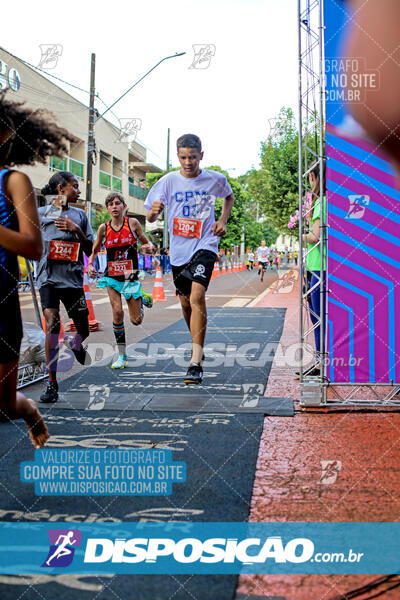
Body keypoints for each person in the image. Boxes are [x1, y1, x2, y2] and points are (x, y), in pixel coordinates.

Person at [0, 91, 76, 447]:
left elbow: (32, 246)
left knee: (2, 404)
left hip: (1, 302)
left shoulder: (12, 181)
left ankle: (28, 408)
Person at [145, 133, 234, 385]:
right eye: (183, 157)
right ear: (178, 157)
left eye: (192, 157)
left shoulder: (215, 179)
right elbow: (150, 217)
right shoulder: (167, 182)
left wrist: (222, 221)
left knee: (197, 297)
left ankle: (195, 362)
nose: (188, 162)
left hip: (205, 244)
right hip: (179, 251)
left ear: (201, 156)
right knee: (185, 305)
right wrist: (154, 213)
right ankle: (198, 343)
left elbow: (229, 197)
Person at [37, 171, 94, 403]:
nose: (78, 191)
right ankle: (51, 382)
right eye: (75, 186)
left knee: (84, 329)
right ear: (61, 188)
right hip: (48, 279)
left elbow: (89, 249)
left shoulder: (80, 215)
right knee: (51, 325)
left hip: (72, 281)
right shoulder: (39, 214)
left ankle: (76, 343)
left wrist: (76, 230)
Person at [88, 192, 153, 369]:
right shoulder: (104, 228)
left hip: (129, 276)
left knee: (136, 321)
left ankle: (141, 298)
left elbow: (146, 243)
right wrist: (91, 265)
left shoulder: (132, 224)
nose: (114, 206)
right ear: (107, 208)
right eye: (110, 204)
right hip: (111, 277)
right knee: (117, 312)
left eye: (117, 203)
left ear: (124, 206)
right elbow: (94, 251)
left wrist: (149, 248)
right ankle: (122, 355)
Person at [301, 160, 326, 377]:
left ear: (315, 177)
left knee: (318, 318)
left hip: (319, 267)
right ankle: (321, 362)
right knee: (319, 318)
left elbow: (315, 237)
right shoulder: (326, 202)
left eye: (310, 177)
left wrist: (299, 235)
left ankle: (321, 364)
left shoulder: (321, 203)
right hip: (319, 267)